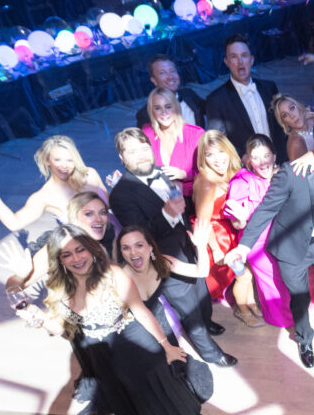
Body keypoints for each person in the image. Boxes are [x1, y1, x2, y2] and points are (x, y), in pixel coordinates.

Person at [13, 225, 207, 415]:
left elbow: (142, 312)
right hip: (101, 356)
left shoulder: (113, 275)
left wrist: (167, 346)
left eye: (80, 250)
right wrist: (41, 319)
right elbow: (61, 331)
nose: (76, 258)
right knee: (126, 394)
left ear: (90, 249)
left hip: (136, 345)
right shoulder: (58, 288)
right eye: (67, 254)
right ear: (60, 259)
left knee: (156, 389)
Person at [224, 117, 314, 369]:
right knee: (300, 298)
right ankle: (305, 339)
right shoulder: (292, 173)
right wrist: (244, 246)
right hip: (291, 246)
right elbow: (265, 210)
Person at [108, 128, 226, 338]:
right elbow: (139, 236)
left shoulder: (163, 172)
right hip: (164, 255)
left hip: (187, 241)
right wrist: (168, 214)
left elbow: (179, 204)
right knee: (186, 303)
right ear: (121, 157)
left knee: (201, 289)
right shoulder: (120, 193)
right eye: (133, 152)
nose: (142, 155)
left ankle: (207, 321)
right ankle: (203, 342)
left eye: (144, 148)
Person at [117, 222, 219, 398]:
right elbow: (139, 315)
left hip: (160, 323)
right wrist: (165, 345)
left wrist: (201, 247)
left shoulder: (161, 262)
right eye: (126, 248)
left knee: (183, 376)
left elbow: (201, 271)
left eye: (139, 245)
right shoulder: (121, 277)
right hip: (135, 332)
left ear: (150, 247)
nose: (133, 252)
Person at [223, 135, 294, 329]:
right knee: (273, 282)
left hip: (283, 238)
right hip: (258, 243)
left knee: (288, 279)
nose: (262, 162)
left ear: (274, 156)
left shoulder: (282, 176)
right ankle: (283, 320)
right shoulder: (243, 182)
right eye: (256, 157)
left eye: (266, 155)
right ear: (248, 161)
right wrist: (241, 218)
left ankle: (291, 314)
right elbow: (237, 225)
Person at [192, 130, 262, 327]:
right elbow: (203, 222)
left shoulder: (233, 172)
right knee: (244, 275)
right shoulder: (206, 183)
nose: (217, 159)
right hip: (216, 237)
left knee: (248, 272)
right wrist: (215, 249)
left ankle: (251, 303)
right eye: (210, 154)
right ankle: (243, 311)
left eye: (221, 151)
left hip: (232, 232)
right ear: (203, 158)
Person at [0, 135, 107, 233]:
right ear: (47, 160)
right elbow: (14, 223)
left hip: (112, 232)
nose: (64, 165)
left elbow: (108, 205)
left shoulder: (89, 175)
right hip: (87, 248)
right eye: (57, 160)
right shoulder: (44, 196)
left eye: (69, 160)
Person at [205, 34, 287, 163]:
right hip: (248, 168)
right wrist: (242, 157)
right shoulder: (216, 100)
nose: (240, 61)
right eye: (234, 56)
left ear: (251, 59)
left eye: (244, 55)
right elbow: (219, 140)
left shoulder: (270, 88)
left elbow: (282, 126)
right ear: (226, 62)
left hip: (279, 162)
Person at [141, 88, 204, 200]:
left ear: (176, 107)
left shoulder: (196, 134)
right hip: (161, 199)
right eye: (157, 108)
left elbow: (210, 171)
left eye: (168, 107)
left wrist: (185, 174)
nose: (164, 112)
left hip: (194, 198)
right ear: (152, 111)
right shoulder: (147, 133)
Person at [134, 55, 205, 128]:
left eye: (172, 71)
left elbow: (209, 107)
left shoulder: (189, 94)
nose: (170, 77)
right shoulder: (146, 114)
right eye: (162, 73)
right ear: (154, 80)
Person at [270, 93, 314, 161]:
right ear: (284, 123)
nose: (292, 116)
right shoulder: (295, 143)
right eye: (285, 115)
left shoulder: (312, 122)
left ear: (299, 106)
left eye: (292, 108)